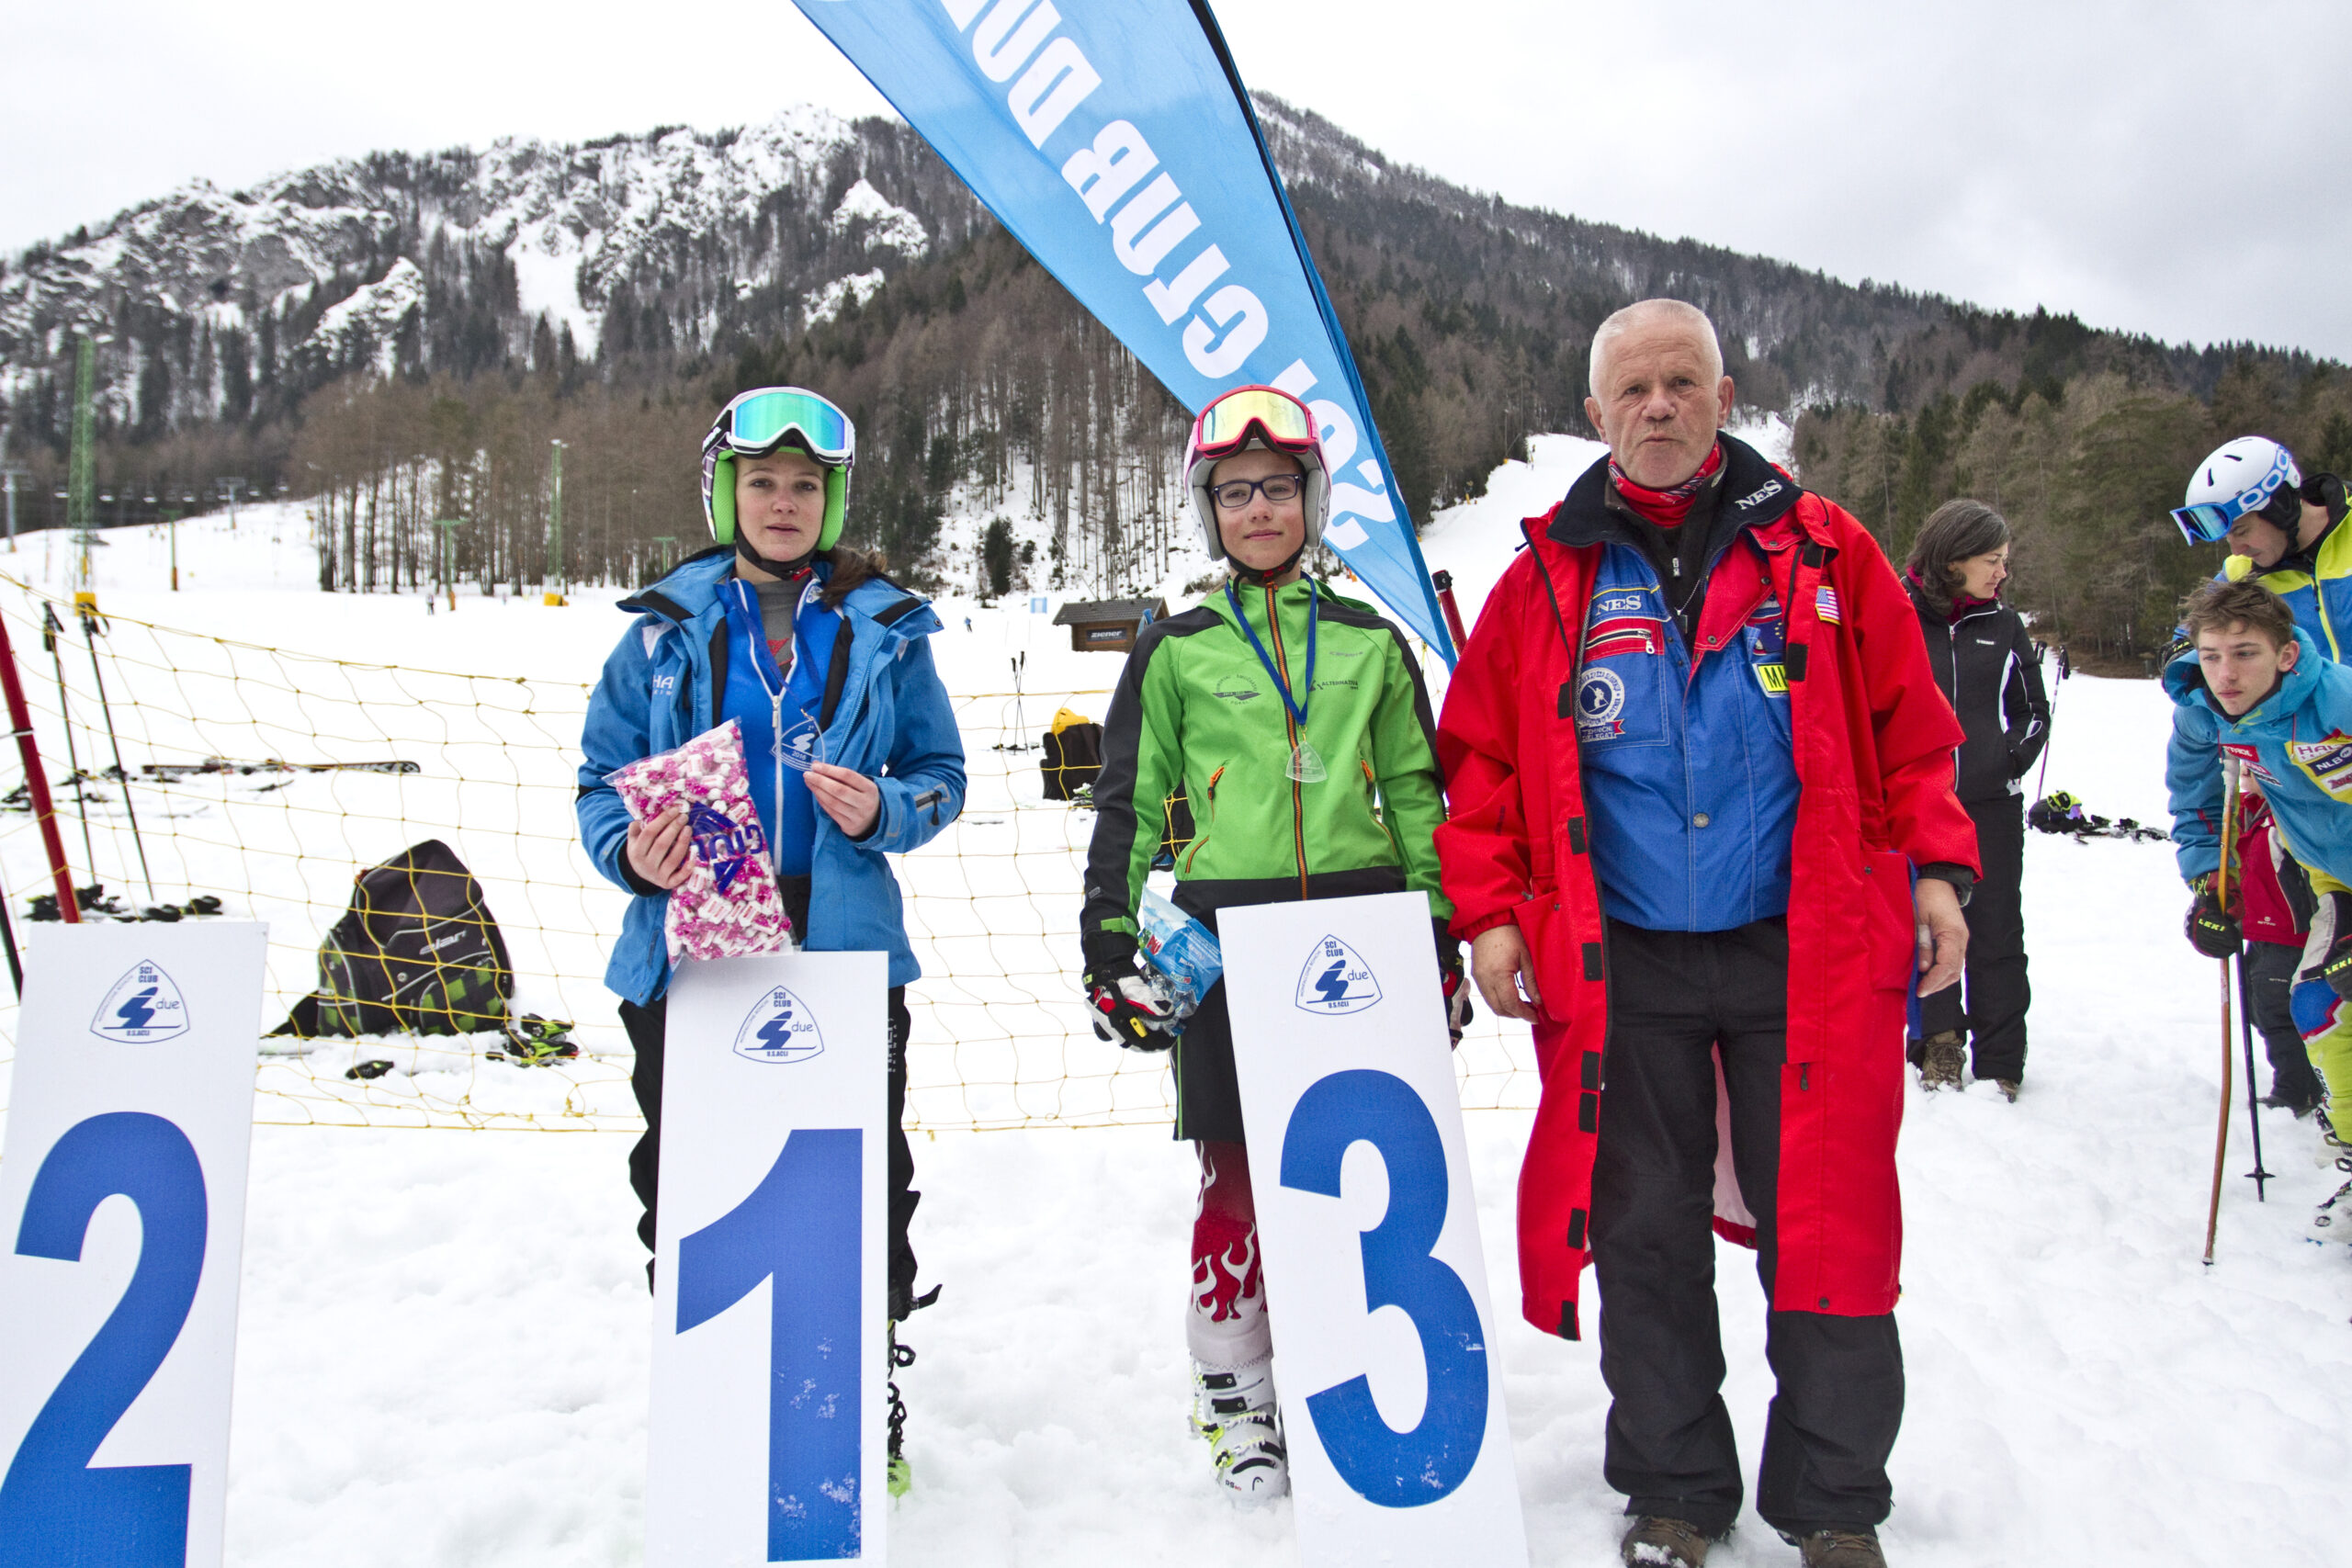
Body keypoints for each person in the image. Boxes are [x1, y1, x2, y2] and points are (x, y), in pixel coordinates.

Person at [1433, 299, 1978, 1568]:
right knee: (1643, 1231)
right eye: (1634, 389)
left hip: (1805, 950)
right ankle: (1675, 1489)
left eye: (1683, 382)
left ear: (1725, 399)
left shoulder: (1826, 551)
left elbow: (1911, 731)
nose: (1660, 406)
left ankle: (1833, 1502)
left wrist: (1942, 872)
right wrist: (1494, 913)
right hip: (1624, 963)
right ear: (1596, 414)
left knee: (1830, 1225)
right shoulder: (1546, 579)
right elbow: (1483, 765)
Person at [1077, 384, 1464, 1506]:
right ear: (1209, 511)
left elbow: (1417, 796)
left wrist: (1437, 935)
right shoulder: (1176, 648)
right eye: (1235, 493)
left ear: (1313, 500)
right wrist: (1108, 944)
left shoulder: (1369, 642)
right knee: (1238, 1182)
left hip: (1362, 935)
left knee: (1370, 1173)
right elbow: (1128, 801)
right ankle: (1235, 1394)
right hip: (1227, 941)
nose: (1258, 510)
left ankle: (1371, 1371)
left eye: (1279, 488)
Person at [575, 385, 966, 1493]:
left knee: (861, 1175)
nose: (783, 501)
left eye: (804, 484)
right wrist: (630, 851)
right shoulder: (662, 632)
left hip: (841, 946)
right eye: (762, 482)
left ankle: (858, 1389)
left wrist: (884, 810)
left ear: (830, 501)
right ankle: (713, 1389)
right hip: (692, 950)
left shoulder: (885, 631)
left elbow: (941, 775)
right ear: (726, 492)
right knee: (689, 1172)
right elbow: (599, 781)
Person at [2165, 578, 2352, 1230]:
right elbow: (2195, 803)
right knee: (2321, 1004)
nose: (2225, 674)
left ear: (2286, 654)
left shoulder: (2338, 703)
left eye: (2245, 653)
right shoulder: (2203, 712)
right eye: (2211, 655)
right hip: (2332, 875)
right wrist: (2211, 885)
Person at [1900, 501, 2049, 1098]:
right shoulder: (1897, 615)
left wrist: (2006, 760)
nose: (2002, 572)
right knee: (1927, 930)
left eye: (2004, 561)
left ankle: (2001, 1059)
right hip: (1918, 806)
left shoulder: (2005, 625)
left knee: (1997, 932)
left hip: (1989, 807)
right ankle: (1938, 1045)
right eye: (1992, 560)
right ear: (1952, 559)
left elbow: (2033, 710)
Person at [2172, 435, 2352, 658]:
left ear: (2281, 508)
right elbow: (2184, 642)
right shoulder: (2240, 574)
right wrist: (2184, 663)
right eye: (2228, 538)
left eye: (2241, 531)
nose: (2237, 550)